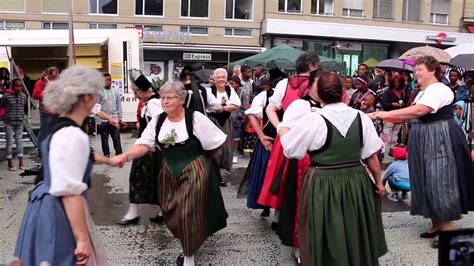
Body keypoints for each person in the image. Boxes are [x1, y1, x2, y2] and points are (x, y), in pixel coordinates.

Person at [111, 80, 228, 266]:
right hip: (167, 171)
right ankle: (187, 245)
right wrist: (125, 156)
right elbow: (144, 144)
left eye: (169, 98)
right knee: (170, 212)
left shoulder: (195, 118)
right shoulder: (158, 121)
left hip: (194, 170)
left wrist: (202, 163)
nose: (164, 101)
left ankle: (189, 257)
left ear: (181, 99)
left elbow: (216, 144)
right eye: (163, 97)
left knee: (188, 213)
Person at [278, 72, 387, 265]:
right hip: (356, 180)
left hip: (323, 182)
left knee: (327, 229)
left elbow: (291, 151)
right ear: (344, 93)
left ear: (319, 94)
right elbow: (371, 155)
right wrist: (378, 183)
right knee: (355, 226)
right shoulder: (361, 117)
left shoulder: (312, 120)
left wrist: (284, 128)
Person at [14, 66, 118, 265]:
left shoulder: (57, 125)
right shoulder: (72, 134)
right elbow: (70, 192)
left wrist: (110, 160)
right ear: (86, 97)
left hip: (41, 203)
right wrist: (82, 239)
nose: (97, 98)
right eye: (95, 93)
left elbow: (71, 158)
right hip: (58, 208)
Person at [371, 56, 474, 248]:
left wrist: (381, 114)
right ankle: (436, 223)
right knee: (424, 177)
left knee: (439, 178)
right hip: (424, 137)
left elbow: (419, 111)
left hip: (439, 136)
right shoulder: (424, 91)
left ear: (432, 71)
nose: (415, 73)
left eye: (420, 69)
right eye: (415, 69)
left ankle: (447, 227)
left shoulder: (439, 89)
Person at [259, 51, 319, 261]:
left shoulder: (285, 83)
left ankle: (277, 216)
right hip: (312, 141)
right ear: (312, 66)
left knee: (281, 178)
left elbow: (270, 107)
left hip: (287, 136)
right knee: (294, 182)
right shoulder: (321, 84)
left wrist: (279, 128)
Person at [116, 69, 164, 226]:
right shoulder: (151, 103)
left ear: (143, 91)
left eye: (136, 92)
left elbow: (160, 124)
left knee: (138, 179)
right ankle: (159, 212)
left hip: (149, 149)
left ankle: (133, 213)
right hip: (150, 148)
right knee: (154, 180)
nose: (135, 96)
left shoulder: (153, 104)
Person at [237, 78, 275, 216]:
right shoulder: (265, 96)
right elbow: (251, 114)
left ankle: (276, 211)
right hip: (269, 140)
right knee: (265, 173)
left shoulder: (293, 96)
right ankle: (265, 204)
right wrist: (261, 135)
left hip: (283, 141)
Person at [207, 68, 241, 186]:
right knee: (214, 148)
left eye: (223, 77)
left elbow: (235, 105)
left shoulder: (230, 90)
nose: (221, 79)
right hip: (211, 121)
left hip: (226, 121)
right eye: (218, 77)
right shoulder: (208, 91)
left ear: (227, 78)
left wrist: (221, 108)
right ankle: (214, 175)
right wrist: (225, 107)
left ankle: (221, 174)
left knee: (226, 148)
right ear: (214, 79)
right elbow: (207, 106)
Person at [0, 78, 27, 171]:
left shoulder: (23, 96)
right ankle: (10, 163)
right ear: (12, 86)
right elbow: (1, 106)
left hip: (19, 121)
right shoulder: (6, 96)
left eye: (20, 86)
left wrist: (23, 116)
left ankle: (21, 162)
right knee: (9, 142)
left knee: (19, 141)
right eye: (17, 86)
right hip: (9, 122)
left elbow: (23, 107)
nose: (19, 88)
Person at [380, 75, 406, 161]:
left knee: (395, 135)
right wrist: (392, 104)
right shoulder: (388, 91)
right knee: (386, 135)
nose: (397, 84)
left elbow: (405, 103)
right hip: (389, 116)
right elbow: (383, 103)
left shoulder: (402, 92)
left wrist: (402, 105)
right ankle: (382, 152)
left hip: (398, 117)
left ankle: (392, 150)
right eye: (395, 82)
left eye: (398, 82)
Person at [97, 73, 122, 157]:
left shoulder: (115, 92)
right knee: (104, 139)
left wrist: (119, 117)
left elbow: (119, 105)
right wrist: (98, 121)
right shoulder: (99, 93)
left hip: (114, 119)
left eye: (109, 80)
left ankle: (119, 153)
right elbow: (97, 108)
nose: (108, 82)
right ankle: (106, 154)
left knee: (116, 138)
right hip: (103, 121)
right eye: (106, 80)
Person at [33, 67, 59, 139]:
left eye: (56, 76)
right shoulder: (41, 82)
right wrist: (48, 94)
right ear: (48, 74)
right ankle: (41, 148)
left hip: (56, 111)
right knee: (45, 131)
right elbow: (35, 94)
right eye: (54, 76)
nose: (55, 78)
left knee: (54, 131)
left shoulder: (57, 83)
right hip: (46, 112)